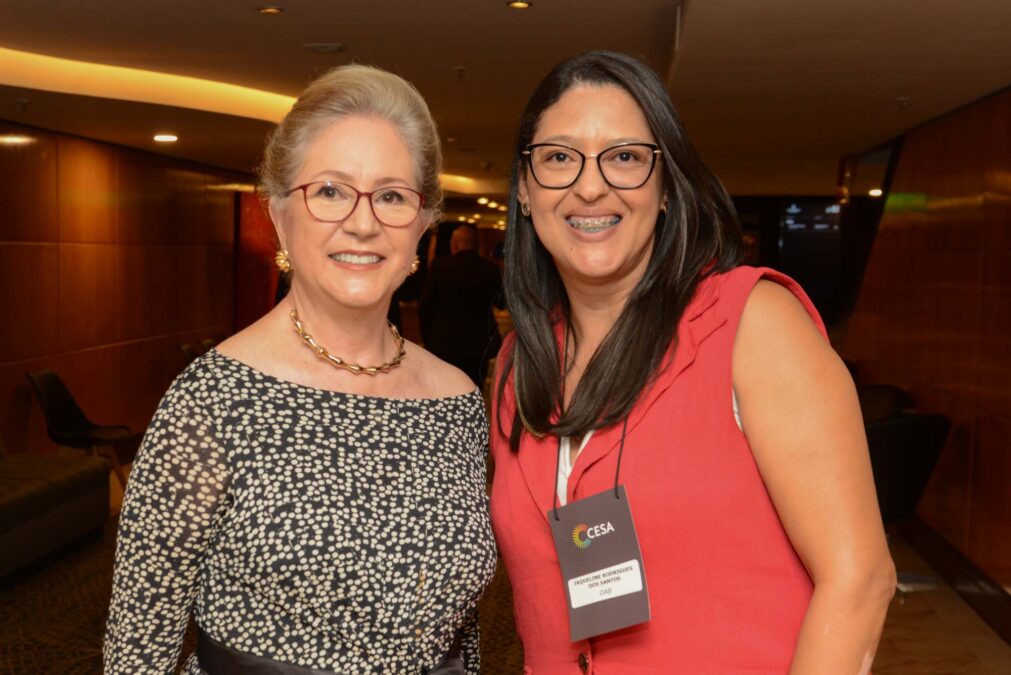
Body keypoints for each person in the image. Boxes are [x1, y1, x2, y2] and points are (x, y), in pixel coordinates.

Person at [490, 51, 895, 673]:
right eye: (559, 157)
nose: (590, 186)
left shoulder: (752, 324)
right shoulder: (518, 365)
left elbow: (859, 580)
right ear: (524, 189)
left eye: (625, 157)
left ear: (666, 189)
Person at [104, 64, 497, 674]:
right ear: (280, 214)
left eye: (392, 196)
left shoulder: (457, 401)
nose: (363, 223)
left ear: (423, 225)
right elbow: (137, 650)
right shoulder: (211, 401)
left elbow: (460, 633)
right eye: (331, 191)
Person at [420, 224, 503, 386]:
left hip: (443, 344)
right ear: (476, 245)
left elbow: (426, 306)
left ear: (455, 244)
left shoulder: (440, 267)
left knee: (445, 389)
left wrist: (428, 338)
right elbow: (501, 303)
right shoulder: (489, 268)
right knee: (474, 388)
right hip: (478, 346)